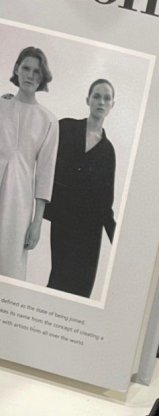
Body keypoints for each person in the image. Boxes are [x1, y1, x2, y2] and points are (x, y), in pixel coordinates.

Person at [45, 79, 117, 297]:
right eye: (97, 96)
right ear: (88, 100)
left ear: (112, 105)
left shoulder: (108, 151)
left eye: (106, 98)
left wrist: (117, 240)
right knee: (57, 282)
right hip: (63, 222)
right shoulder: (66, 128)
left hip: (90, 231)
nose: (101, 102)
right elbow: (37, 134)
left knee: (80, 290)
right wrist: (9, 104)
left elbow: (106, 202)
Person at [0, 47, 58, 281]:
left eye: (37, 71)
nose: (30, 75)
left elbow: (45, 174)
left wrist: (37, 223)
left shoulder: (48, 120)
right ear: (16, 69)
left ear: (43, 77)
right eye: (26, 68)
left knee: (9, 267)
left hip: (19, 202)